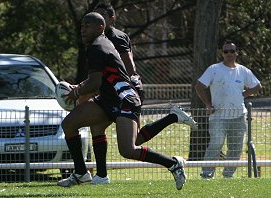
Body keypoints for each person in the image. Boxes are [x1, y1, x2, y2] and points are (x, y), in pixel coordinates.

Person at [57, 12, 187, 190]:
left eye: (87, 26)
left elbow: (95, 82)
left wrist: (76, 92)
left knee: (128, 150)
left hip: (125, 99)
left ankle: (172, 163)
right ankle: (81, 173)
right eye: (82, 26)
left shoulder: (97, 47)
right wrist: (78, 87)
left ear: (100, 27)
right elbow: (97, 79)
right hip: (107, 100)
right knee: (69, 124)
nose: (83, 29)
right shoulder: (99, 44)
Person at [88, 3, 197, 184]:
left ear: (111, 19)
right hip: (112, 95)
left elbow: (129, 64)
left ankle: (172, 158)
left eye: (102, 16)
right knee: (105, 130)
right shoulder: (98, 39)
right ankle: (100, 175)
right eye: (95, 16)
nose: (99, 19)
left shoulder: (115, 36)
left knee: (131, 145)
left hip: (125, 94)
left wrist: (130, 85)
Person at [195, 40, 262, 178]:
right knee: (216, 144)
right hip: (218, 116)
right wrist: (208, 104)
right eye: (226, 51)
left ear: (237, 53)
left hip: (239, 116)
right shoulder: (214, 69)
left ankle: (228, 176)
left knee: (236, 148)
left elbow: (257, 86)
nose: (229, 54)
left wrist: (242, 94)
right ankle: (206, 175)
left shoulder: (243, 71)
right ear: (222, 54)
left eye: (232, 51)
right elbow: (199, 86)